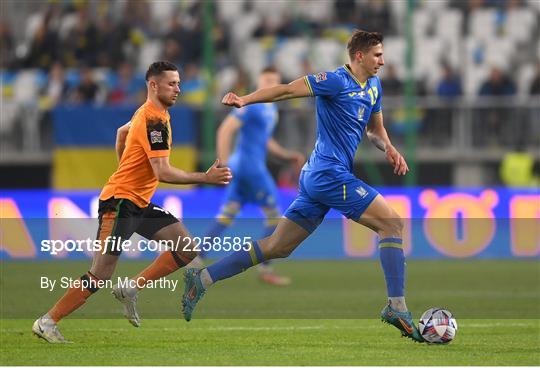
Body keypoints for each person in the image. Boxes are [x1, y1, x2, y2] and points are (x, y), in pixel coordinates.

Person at [181, 30, 424, 343]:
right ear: (359, 56)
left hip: (318, 178)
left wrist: (388, 147)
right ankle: (397, 306)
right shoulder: (334, 80)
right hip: (328, 174)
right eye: (377, 55)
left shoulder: (374, 87)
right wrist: (245, 99)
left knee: (277, 247)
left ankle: (203, 278)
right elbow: (285, 91)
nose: (383, 60)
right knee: (392, 223)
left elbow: (375, 131)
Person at [32, 61, 232, 343]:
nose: (178, 89)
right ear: (153, 85)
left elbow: (121, 134)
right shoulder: (153, 120)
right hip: (120, 204)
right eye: (171, 83)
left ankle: (131, 288)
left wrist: (124, 168)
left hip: (137, 202)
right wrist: (205, 177)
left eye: (178, 83)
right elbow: (162, 172)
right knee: (100, 273)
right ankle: (47, 321)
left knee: (186, 248)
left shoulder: (151, 113)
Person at [193, 66, 305, 286]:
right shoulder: (253, 105)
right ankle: (265, 268)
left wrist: (287, 155)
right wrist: (222, 163)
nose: (271, 84)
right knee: (274, 215)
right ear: (259, 81)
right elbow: (225, 130)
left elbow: (264, 140)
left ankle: (196, 259)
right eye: (267, 80)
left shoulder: (270, 108)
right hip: (250, 167)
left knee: (228, 213)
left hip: (243, 166)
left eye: (275, 80)